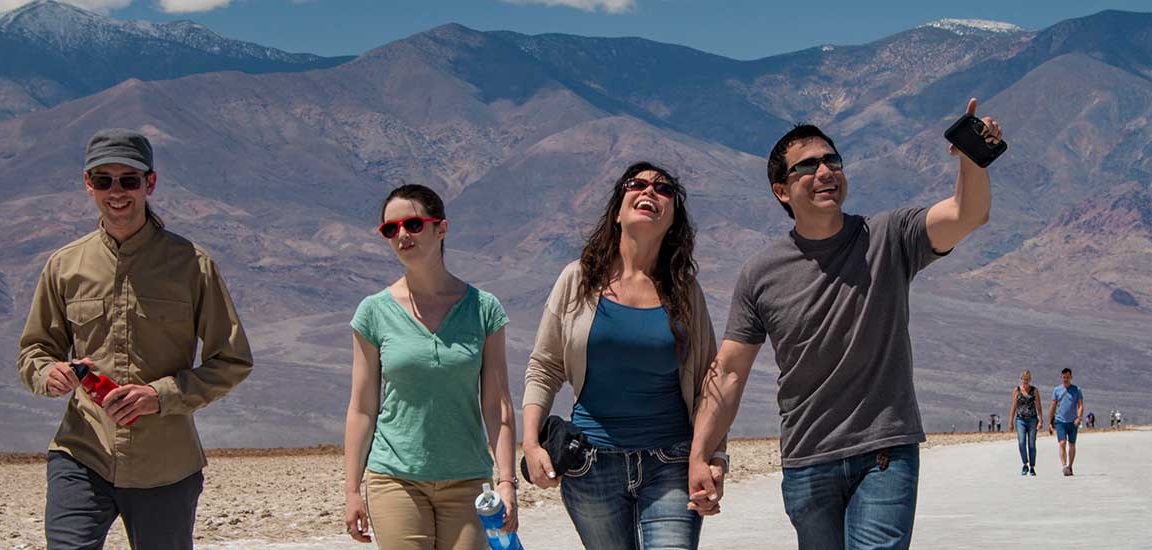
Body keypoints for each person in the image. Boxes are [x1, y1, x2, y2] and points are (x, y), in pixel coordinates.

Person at [688, 99, 1004, 549]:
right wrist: (701, 454)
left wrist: (973, 158)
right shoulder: (760, 274)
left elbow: (966, 214)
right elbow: (731, 370)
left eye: (832, 160)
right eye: (808, 165)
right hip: (807, 459)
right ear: (781, 190)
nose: (825, 172)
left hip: (883, 453)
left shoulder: (889, 237)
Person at [16, 129, 256, 548]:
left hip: (165, 464)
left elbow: (231, 360)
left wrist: (160, 396)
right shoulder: (65, 266)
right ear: (88, 184)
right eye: (104, 180)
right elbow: (35, 350)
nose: (117, 192)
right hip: (83, 451)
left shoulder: (191, 266)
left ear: (150, 183)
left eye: (129, 180)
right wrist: (48, 373)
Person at [518, 163, 722, 549]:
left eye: (663, 189)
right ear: (618, 209)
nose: (650, 191)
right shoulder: (578, 280)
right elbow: (544, 367)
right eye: (638, 184)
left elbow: (709, 385)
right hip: (592, 466)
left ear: (673, 217)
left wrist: (713, 457)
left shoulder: (684, 291)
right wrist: (530, 444)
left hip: (671, 464)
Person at [341, 184, 518, 549]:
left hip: (468, 479)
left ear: (442, 228)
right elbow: (361, 408)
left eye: (413, 224)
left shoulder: (483, 309)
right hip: (395, 476)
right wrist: (351, 491)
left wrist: (506, 482)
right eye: (391, 229)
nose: (402, 235)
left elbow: (497, 404)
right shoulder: (373, 312)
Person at [1050, 368, 1086, 476]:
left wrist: (1079, 417)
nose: (1065, 379)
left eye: (1067, 377)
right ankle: (1064, 466)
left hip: (1073, 421)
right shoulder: (1057, 390)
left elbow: (1080, 405)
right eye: (1064, 377)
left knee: (1072, 444)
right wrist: (1050, 421)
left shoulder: (1076, 390)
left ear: (1071, 377)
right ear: (1061, 377)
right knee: (1062, 443)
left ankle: (1070, 465)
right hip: (1060, 421)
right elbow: (1053, 406)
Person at [1012, 371, 1043, 475]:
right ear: (1021, 379)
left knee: (1031, 444)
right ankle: (1025, 464)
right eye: (1024, 379)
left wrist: (1041, 419)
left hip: (1032, 420)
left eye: (1028, 379)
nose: (1026, 381)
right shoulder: (1017, 390)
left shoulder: (1034, 391)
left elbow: (1038, 406)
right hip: (1020, 419)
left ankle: (1032, 467)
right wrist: (1011, 421)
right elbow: (1014, 406)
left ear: (1030, 379)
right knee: (1021, 442)